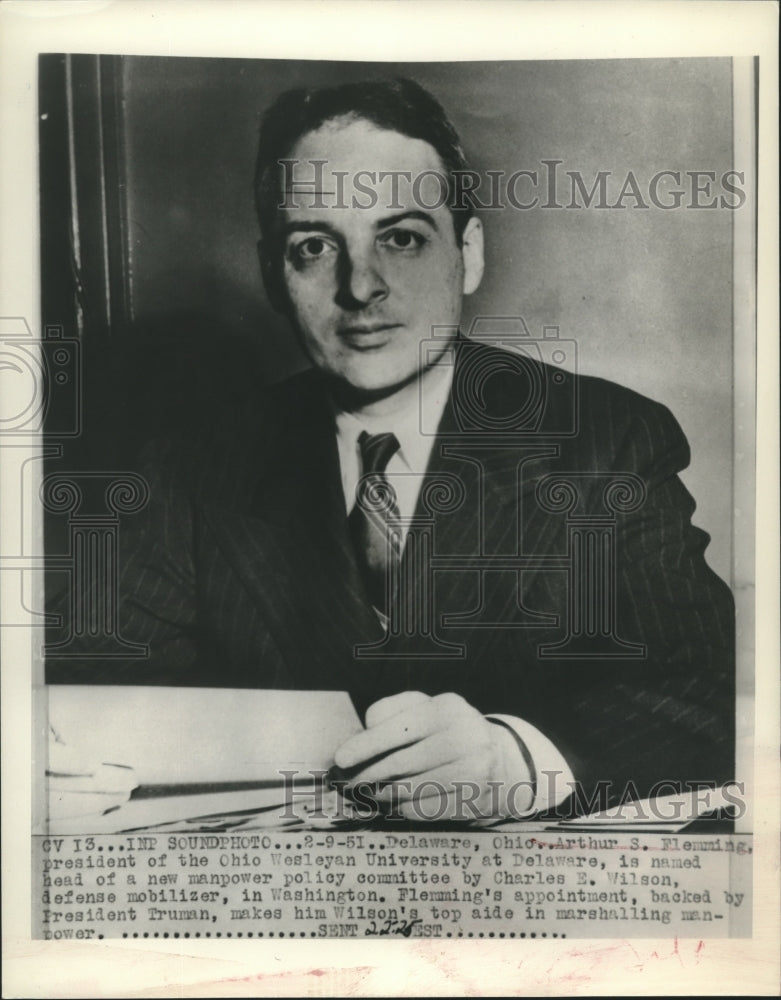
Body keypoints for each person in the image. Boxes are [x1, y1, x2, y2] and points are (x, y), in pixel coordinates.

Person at [46, 77, 735, 822]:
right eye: (312, 247)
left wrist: (521, 757)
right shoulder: (195, 465)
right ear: (275, 278)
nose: (360, 286)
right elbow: (93, 682)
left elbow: (702, 685)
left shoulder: (605, 439)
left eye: (400, 238)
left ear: (466, 254)